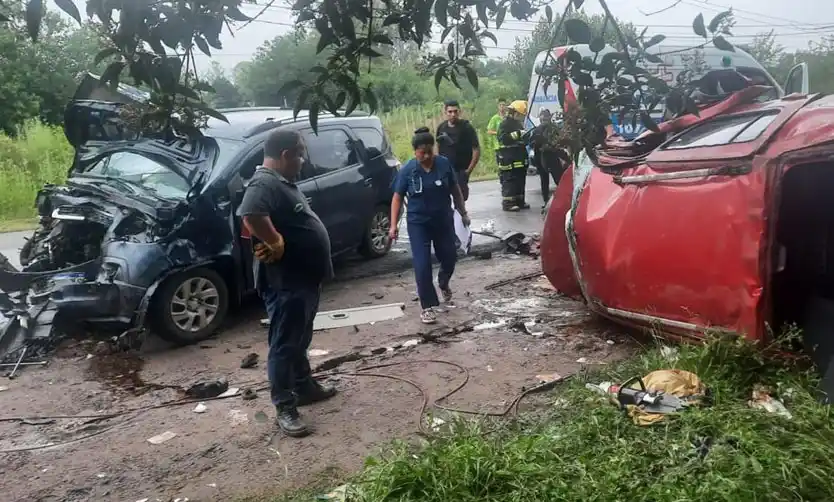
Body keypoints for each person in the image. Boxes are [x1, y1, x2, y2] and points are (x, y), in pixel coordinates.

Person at [237, 129, 336, 438]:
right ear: (285, 155)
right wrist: (275, 240)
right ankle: (285, 406)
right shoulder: (264, 181)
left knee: (300, 338)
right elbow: (250, 213)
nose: (303, 161)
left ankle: (304, 387)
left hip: (303, 279)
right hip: (286, 283)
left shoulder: (279, 182)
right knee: (284, 345)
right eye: (300, 154)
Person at [389, 127, 470, 325]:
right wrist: (393, 225)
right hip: (418, 223)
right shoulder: (408, 170)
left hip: (443, 220)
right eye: (421, 152)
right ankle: (427, 306)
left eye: (429, 151)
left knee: (450, 256)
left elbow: (455, 189)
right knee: (422, 264)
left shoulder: (443, 165)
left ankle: (443, 281)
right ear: (414, 151)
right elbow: (397, 197)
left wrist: (463, 212)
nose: (426, 156)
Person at [435, 100, 480, 201]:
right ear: (445, 112)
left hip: (461, 170)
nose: (453, 114)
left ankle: (461, 215)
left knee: (460, 197)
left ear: (459, 112)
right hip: (445, 169)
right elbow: (437, 146)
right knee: (443, 197)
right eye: (450, 112)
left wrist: (468, 170)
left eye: (455, 111)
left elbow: (476, 149)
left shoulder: (466, 127)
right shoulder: (441, 127)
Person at [530, 108, 571, 210]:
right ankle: (565, 201)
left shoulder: (537, 130)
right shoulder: (553, 128)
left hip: (544, 157)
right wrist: (567, 158)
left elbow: (532, 144)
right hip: (549, 156)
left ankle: (547, 201)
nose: (543, 118)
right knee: (558, 180)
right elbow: (561, 142)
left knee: (546, 180)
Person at [497, 100, 531, 211]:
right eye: (521, 115)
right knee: (509, 180)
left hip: (519, 157)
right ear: (514, 113)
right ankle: (508, 203)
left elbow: (523, 140)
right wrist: (517, 134)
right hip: (508, 158)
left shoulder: (518, 123)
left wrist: (526, 136)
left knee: (520, 179)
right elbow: (503, 139)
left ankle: (519, 200)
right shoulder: (505, 124)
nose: (522, 117)